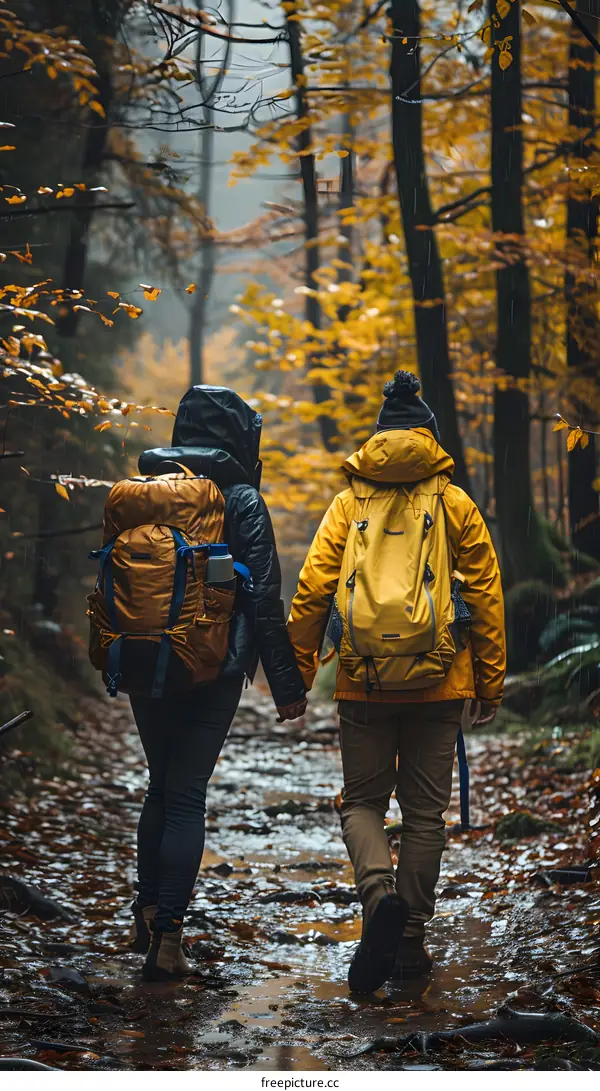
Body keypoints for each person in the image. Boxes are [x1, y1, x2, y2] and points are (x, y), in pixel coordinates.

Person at [287, 371, 505, 993]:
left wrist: (298, 676)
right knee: (425, 816)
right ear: (431, 438)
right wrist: (489, 682)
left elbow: (311, 592)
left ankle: (378, 892)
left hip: (363, 680)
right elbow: (486, 595)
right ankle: (409, 945)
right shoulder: (454, 502)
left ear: (377, 438)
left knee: (361, 801)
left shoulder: (349, 503)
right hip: (440, 681)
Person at [128, 385, 307, 981]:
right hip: (214, 668)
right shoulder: (242, 499)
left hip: (144, 657)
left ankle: (146, 909)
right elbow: (262, 600)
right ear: (238, 438)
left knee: (161, 785)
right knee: (186, 795)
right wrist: (287, 685)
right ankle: (170, 939)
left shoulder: (146, 488)